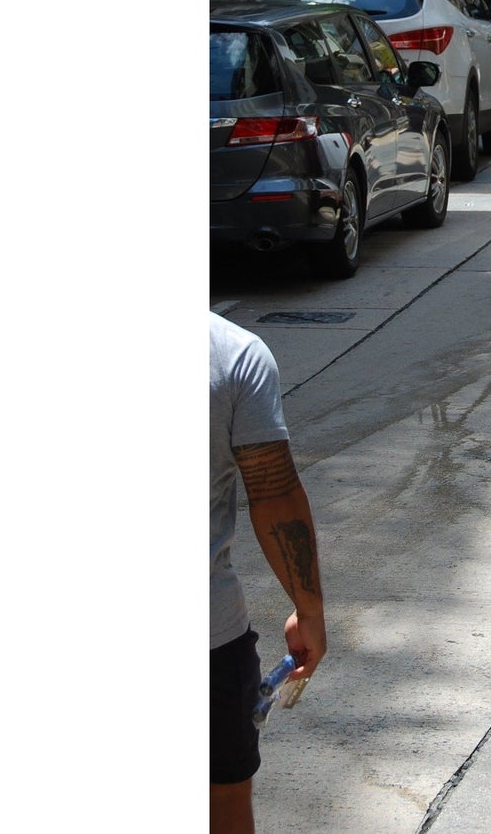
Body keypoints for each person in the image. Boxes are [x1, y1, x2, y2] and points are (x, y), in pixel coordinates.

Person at [210, 312, 326, 833]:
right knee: (223, 806)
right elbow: (274, 494)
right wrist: (309, 610)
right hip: (206, 641)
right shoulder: (231, 355)